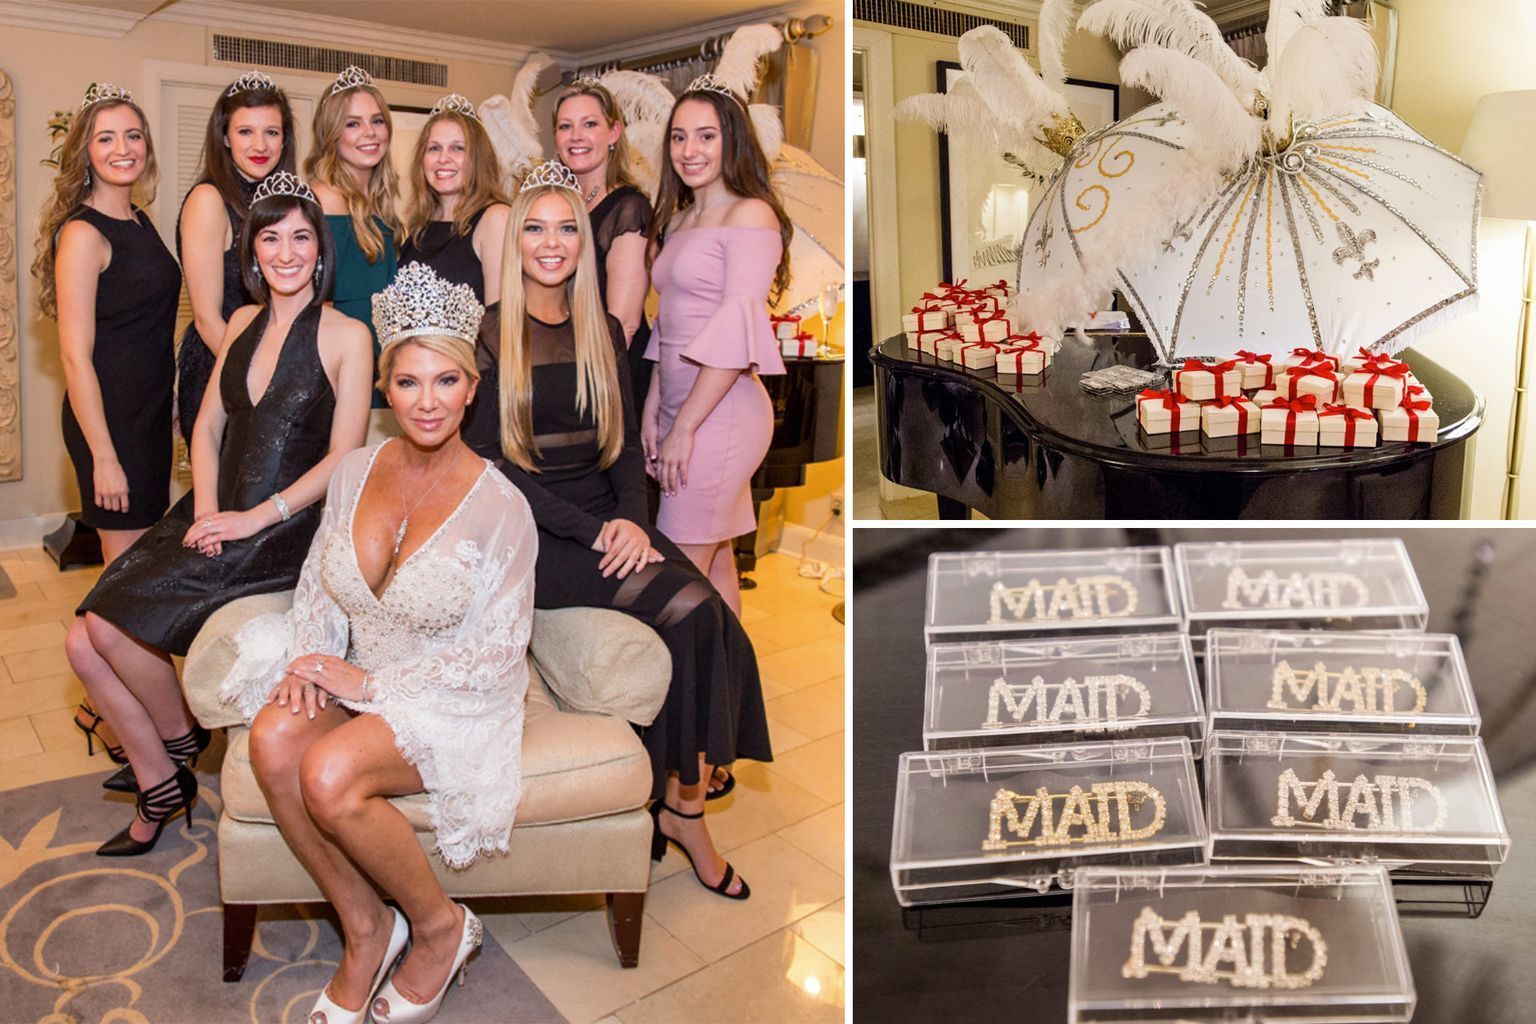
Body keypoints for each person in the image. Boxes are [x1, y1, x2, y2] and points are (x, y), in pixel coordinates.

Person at [225, 262, 535, 1024]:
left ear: (471, 388)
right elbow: (320, 583)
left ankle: (440, 928)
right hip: (358, 676)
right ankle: (367, 928)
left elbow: (498, 655)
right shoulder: (355, 471)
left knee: (328, 770)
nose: (427, 401)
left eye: (445, 381)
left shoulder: (503, 507)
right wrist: (310, 659)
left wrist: (368, 688)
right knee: (272, 738)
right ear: (385, 390)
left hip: (449, 699)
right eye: (408, 382)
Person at [460, 161, 770, 901]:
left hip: (611, 517)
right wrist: (594, 531)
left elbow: (626, 445)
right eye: (536, 228)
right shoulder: (491, 332)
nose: (551, 243)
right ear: (517, 241)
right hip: (539, 534)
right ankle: (682, 813)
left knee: (715, 621)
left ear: (583, 242)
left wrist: (631, 518)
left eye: (567, 228)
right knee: (691, 614)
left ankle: (678, 803)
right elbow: (490, 466)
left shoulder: (603, 326)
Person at [64, 171, 374, 856]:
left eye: (301, 237)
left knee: (104, 631)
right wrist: (205, 509)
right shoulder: (238, 323)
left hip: (285, 529)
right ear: (252, 251)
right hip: (213, 510)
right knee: (80, 643)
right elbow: (206, 428)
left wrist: (253, 518)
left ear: (320, 249)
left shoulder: (348, 336)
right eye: (271, 238)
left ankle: (177, 750)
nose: (286, 253)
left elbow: (345, 459)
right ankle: (166, 772)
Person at [30, 83, 180, 769]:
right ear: (85, 152)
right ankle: (140, 731)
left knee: (136, 586)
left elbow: (148, 330)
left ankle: (102, 709)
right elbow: (74, 356)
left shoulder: (140, 220)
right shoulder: (83, 233)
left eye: (133, 136)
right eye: (106, 137)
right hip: (109, 425)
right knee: (127, 600)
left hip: (145, 417)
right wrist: (104, 456)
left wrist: (170, 403)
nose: (123, 149)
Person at [643, 74, 792, 615]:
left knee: (673, 580)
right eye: (679, 137)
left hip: (721, 415)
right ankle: (732, 670)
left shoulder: (750, 214)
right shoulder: (679, 219)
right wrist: (655, 408)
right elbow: (670, 324)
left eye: (706, 136)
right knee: (719, 562)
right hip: (680, 408)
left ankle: (688, 672)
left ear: (733, 140)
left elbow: (736, 328)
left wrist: (685, 426)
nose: (690, 150)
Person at [175, 69, 297, 445]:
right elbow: (207, 318)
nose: (260, 145)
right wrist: (260, 385)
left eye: (271, 132)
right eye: (246, 131)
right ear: (225, 138)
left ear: (285, 139)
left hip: (276, 373)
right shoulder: (209, 200)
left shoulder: (284, 203)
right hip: (223, 373)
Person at [305, 64, 400, 416]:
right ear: (331, 133)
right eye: (352, 123)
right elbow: (319, 310)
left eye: (377, 120)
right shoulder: (324, 199)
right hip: (342, 374)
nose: (369, 133)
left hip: (380, 366)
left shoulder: (377, 202)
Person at [552, 79, 653, 405]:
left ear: (613, 133)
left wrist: (585, 392)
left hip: (608, 376)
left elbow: (624, 324)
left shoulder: (629, 207)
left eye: (590, 124)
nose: (576, 136)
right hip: (567, 363)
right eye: (565, 126)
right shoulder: (559, 206)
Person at [399, 93, 510, 305]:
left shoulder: (496, 219)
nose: (443, 158)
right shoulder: (421, 226)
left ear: (478, 158)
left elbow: (500, 317)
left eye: (457, 148)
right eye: (434, 148)